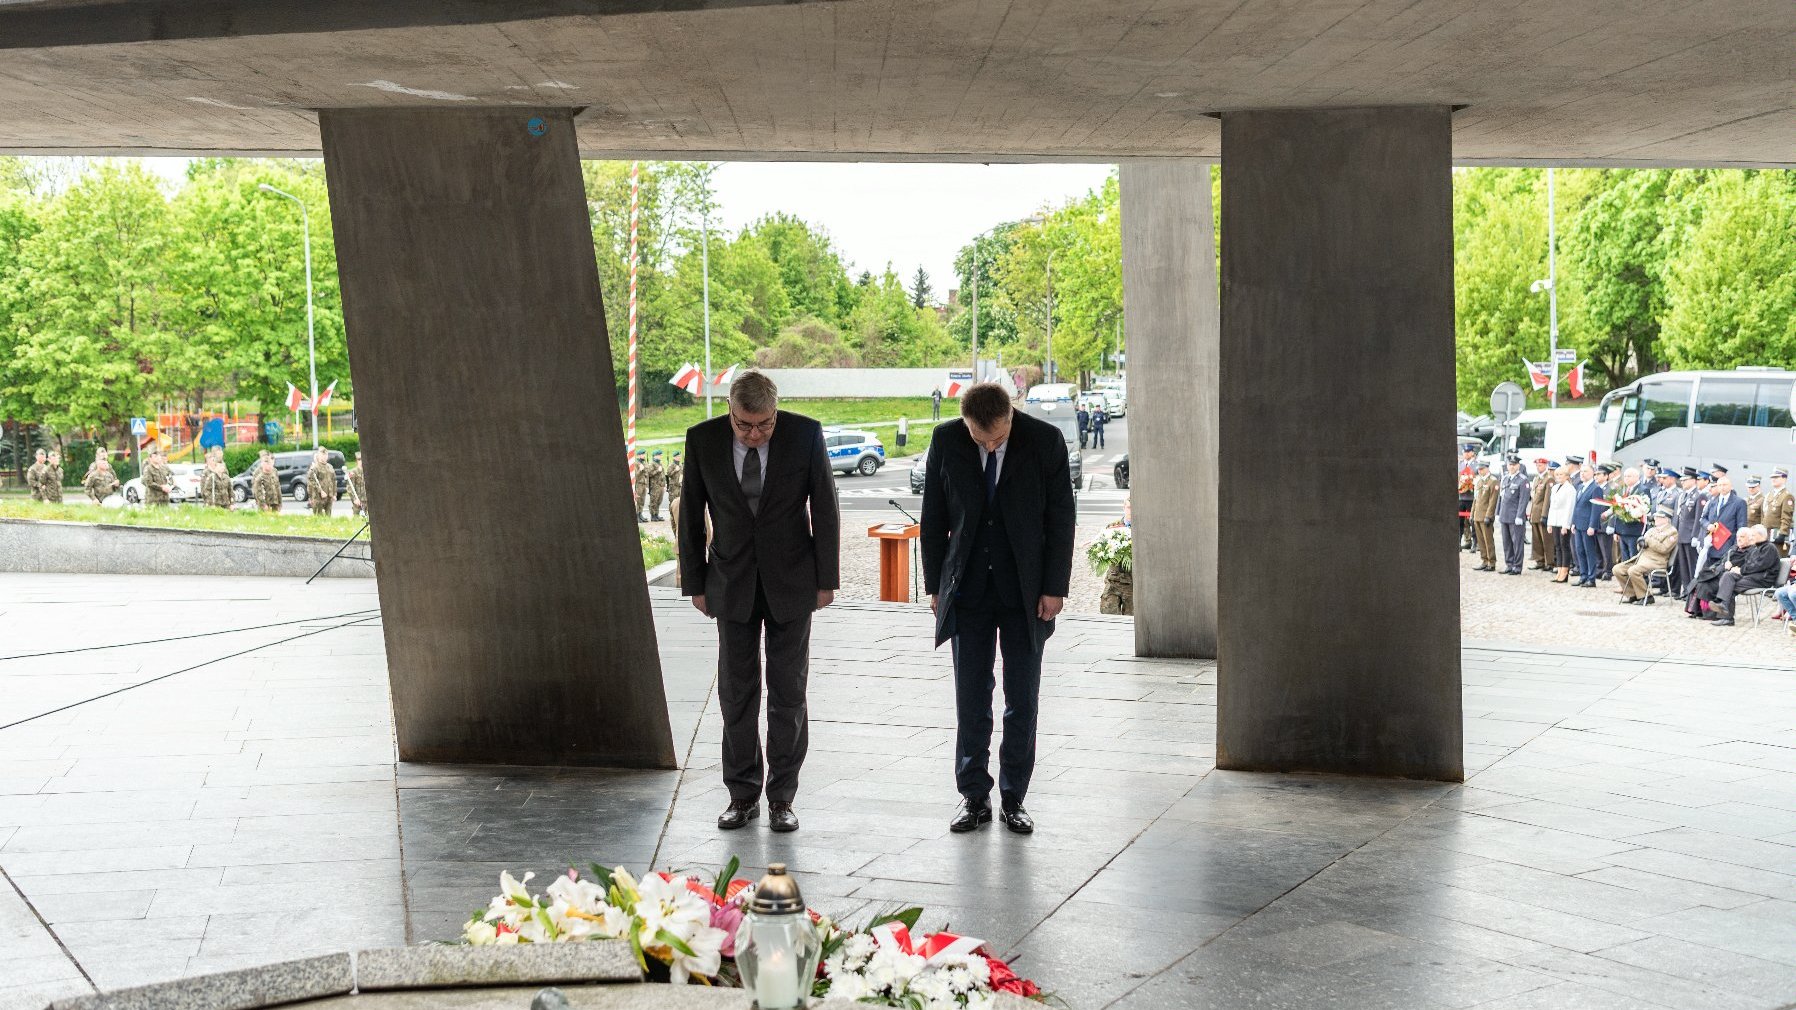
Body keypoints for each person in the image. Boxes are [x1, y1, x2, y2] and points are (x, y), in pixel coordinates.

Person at [678, 370, 839, 834]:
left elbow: (824, 507)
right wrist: (695, 583)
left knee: (788, 692)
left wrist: (825, 579)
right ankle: (742, 794)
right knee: (736, 691)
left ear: (775, 410)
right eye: (744, 425)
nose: (754, 434)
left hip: (792, 582)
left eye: (764, 425)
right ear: (729, 410)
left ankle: (782, 797)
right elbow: (691, 512)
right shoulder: (703, 439)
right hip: (730, 582)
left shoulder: (804, 434)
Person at [921, 383, 1075, 836]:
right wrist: (935, 586)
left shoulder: (1044, 441)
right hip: (967, 589)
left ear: (1011, 415)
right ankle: (973, 796)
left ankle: (1013, 798)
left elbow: (1061, 517)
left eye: (997, 438)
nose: (988, 445)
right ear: (965, 422)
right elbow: (933, 517)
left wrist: (1054, 587)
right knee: (971, 696)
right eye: (979, 438)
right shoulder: (947, 439)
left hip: (1026, 592)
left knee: (1021, 698)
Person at [1686, 525, 1779, 626]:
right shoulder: (1757, 548)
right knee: (1728, 576)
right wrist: (1737, 569)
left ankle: (1726, 615)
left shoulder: (1769, 548)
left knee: (1730, 585)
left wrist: (1741, 570)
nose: (1751, 537)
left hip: (1762, 579)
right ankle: (1722, 606)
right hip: (1751, 577)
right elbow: (1749, 564)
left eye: (1753, 535)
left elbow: (1758, 566)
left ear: (1761, 535)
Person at [1613, 507, 1677, 604]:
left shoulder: (1672, 532)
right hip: (1642, 558)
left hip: (1656, 561)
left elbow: (1664, 549)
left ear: (1666, 519)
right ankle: (1633, 594)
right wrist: (1640, 543)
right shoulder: (1652, 530)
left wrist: (1649, 541)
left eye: (1658, 517)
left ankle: (1646, 596)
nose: (1655, 519)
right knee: (1618, 569)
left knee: (1633, 570)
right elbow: (1641, 546)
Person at [1672, 467, 1705, 596]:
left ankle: (1693, 591)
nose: (1683, 482)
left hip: (1691, 535)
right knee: (1683, 566)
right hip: (1681, 535)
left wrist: (1695, 536)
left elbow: (1698, 518)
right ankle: (1686, 590)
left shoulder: (1699, 495)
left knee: (1692, 566)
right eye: (1682, 480)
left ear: (1693, 480)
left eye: (1685, 480)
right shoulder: (1683, 495)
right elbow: (1678, 517)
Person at [1495, 455, 1530, 575]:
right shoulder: (1505, 478)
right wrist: (1497, 512)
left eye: (1514, 464)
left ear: (1518, 466)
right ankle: (1509, 564)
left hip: (1515, 517)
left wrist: (1520, 516)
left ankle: (1517, 566)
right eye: (1510, 464)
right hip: (1504, 515)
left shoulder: (1523, 480)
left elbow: (1523, 500)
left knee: (1517, 542)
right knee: (1506, 542)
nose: (1512, 467)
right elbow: (1501, 497)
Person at [1571, 462, 1604, 587]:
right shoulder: (1580, 487)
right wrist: (1573, 522)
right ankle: (1583, 575)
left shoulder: (1596, 488)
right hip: (1579, 523)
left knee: (1589, 551)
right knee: (1580, 550)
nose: (1582, 474)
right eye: (1581, 471)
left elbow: (1596, 509)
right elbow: (1577, 506)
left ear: (1593, 474)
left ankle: (1591, 577)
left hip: (1588, 525)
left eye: (1585, 471)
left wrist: (1592, 525)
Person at [1702, 474, 1748, 558]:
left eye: (1725, 485)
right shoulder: (1712, 502)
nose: (1722, 487)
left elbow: (1741, 526)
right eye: (1720, 485)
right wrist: (1708, 525)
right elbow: (1703, 519)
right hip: (1711, 545)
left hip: (1728, 545)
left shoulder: (1739, 502)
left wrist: (1735, 547)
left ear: (1731, 486)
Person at [1606, 466, 1646, 561]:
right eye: (1625, 476)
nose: (1626, 478)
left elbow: (1643, 510)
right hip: (1622, 530)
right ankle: (1625, 575)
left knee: (1633, 557)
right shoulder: (1623, 489)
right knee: (1625, 558)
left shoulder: (1643, 490)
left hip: (1634, 530)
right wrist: (1617, 531)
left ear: (1637, 477)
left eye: (1629, 476)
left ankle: (1632, 576)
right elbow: (1617, 510)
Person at [1546, 464, 1577, 583]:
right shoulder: (1555, 487)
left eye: (1561, 474)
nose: (1558, 476)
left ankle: (1565, 572)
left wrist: (1566, 525)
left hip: (1564, 521)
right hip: (1555, 520)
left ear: (1566, 476)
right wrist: (1549, 523)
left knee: (1564, 547)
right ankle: (1559, 570)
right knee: (1557, 546)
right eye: (1557, 474)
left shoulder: (1570, 489)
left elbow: (1570, 508)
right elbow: (1551, 507)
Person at [1469, 460, 1498, 572]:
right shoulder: (1479, 482)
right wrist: (1472, 514)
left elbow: (1492, 501)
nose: (1480, 471)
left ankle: (1491, 562)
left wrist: (1489, 515)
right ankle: (1484, 560)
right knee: (1480, 540)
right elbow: (1475, 500)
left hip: (1486, 515)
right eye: (1479, 469)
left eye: (1482, 469)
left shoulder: (1493, 481)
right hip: (1477, 515)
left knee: (1488, 540)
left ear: (1487, 468)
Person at [1527, 457, 1554, 571]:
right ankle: (1539, 560)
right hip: (1535, 512)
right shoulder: (1537, 478)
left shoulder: (1549, 479)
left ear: (1546, 465)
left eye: (1541, 465)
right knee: (1536, 539)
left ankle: (1549, 562)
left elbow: (1547, 499)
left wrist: (1544, 515)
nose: (1538, 467)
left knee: (1546, 539)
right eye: (1537, 465)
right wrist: (1531, 513)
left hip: (1542, 513)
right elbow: (1534, 498)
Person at [1767, 466, 1793, 557]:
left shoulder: (1787, 496)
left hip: (1777, 537)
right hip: (1767, 535)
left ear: (1784, 478)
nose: (1773, 479)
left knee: (1777, 561)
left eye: (1776, 477)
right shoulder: (1770, 495)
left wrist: (1783, 533)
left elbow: (1786, 517)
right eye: (1772, 477)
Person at [1457, 446, 1477, 552]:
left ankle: (1474, 543)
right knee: (1459, 521)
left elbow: (1478, 479)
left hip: (1471, 497)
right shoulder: (1460, 464)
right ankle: (1458, 542)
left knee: (1472, 521)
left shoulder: (1477, 465)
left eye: (1468, 452)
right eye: (1464, 452)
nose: (1466, 454)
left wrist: (1471, 483)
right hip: (1461, 497)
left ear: (1472, 453)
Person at [305, 448, 336, 516]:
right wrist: (320, 491)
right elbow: (311, 481)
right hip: (318, 497)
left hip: (329, 496)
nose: (324, 456)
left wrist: (334, 494)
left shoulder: (330, 467)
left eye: (326, 455)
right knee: (318, 517)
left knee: (328, 516)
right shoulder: (315, 468)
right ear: (318, 456)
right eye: (322, 454)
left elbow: (333, 481)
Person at [643, 450, 668, 521]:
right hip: (654, 486)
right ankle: (652, 515)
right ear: (655, 456)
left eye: (661, 455)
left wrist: (665, 484)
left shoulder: (660, 463)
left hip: (661, 486)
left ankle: (657, 514)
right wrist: (657, 470)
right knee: (653, 501)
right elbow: (649, 474)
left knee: (659, 501)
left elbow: (663, 475)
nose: (660, 456)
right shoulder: (652, 464)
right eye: (659, 455)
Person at [347, 451, 369, 519]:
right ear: (357, 461)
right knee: (356, 519)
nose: (361, 461)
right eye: (359, 459)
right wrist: (354, 499)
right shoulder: (353, 472)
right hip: (358, 500)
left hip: (367, 500)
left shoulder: (368, 471)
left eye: (362, 459)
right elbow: (350, 487)